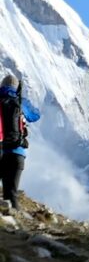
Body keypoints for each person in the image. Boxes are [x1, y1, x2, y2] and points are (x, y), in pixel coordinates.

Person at [0, 74, 40, 210]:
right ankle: (16, 227)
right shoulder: (19, 102)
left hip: (2, 150)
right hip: (18, 154)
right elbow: (36, 115)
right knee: (11, 193)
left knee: (5, 194)